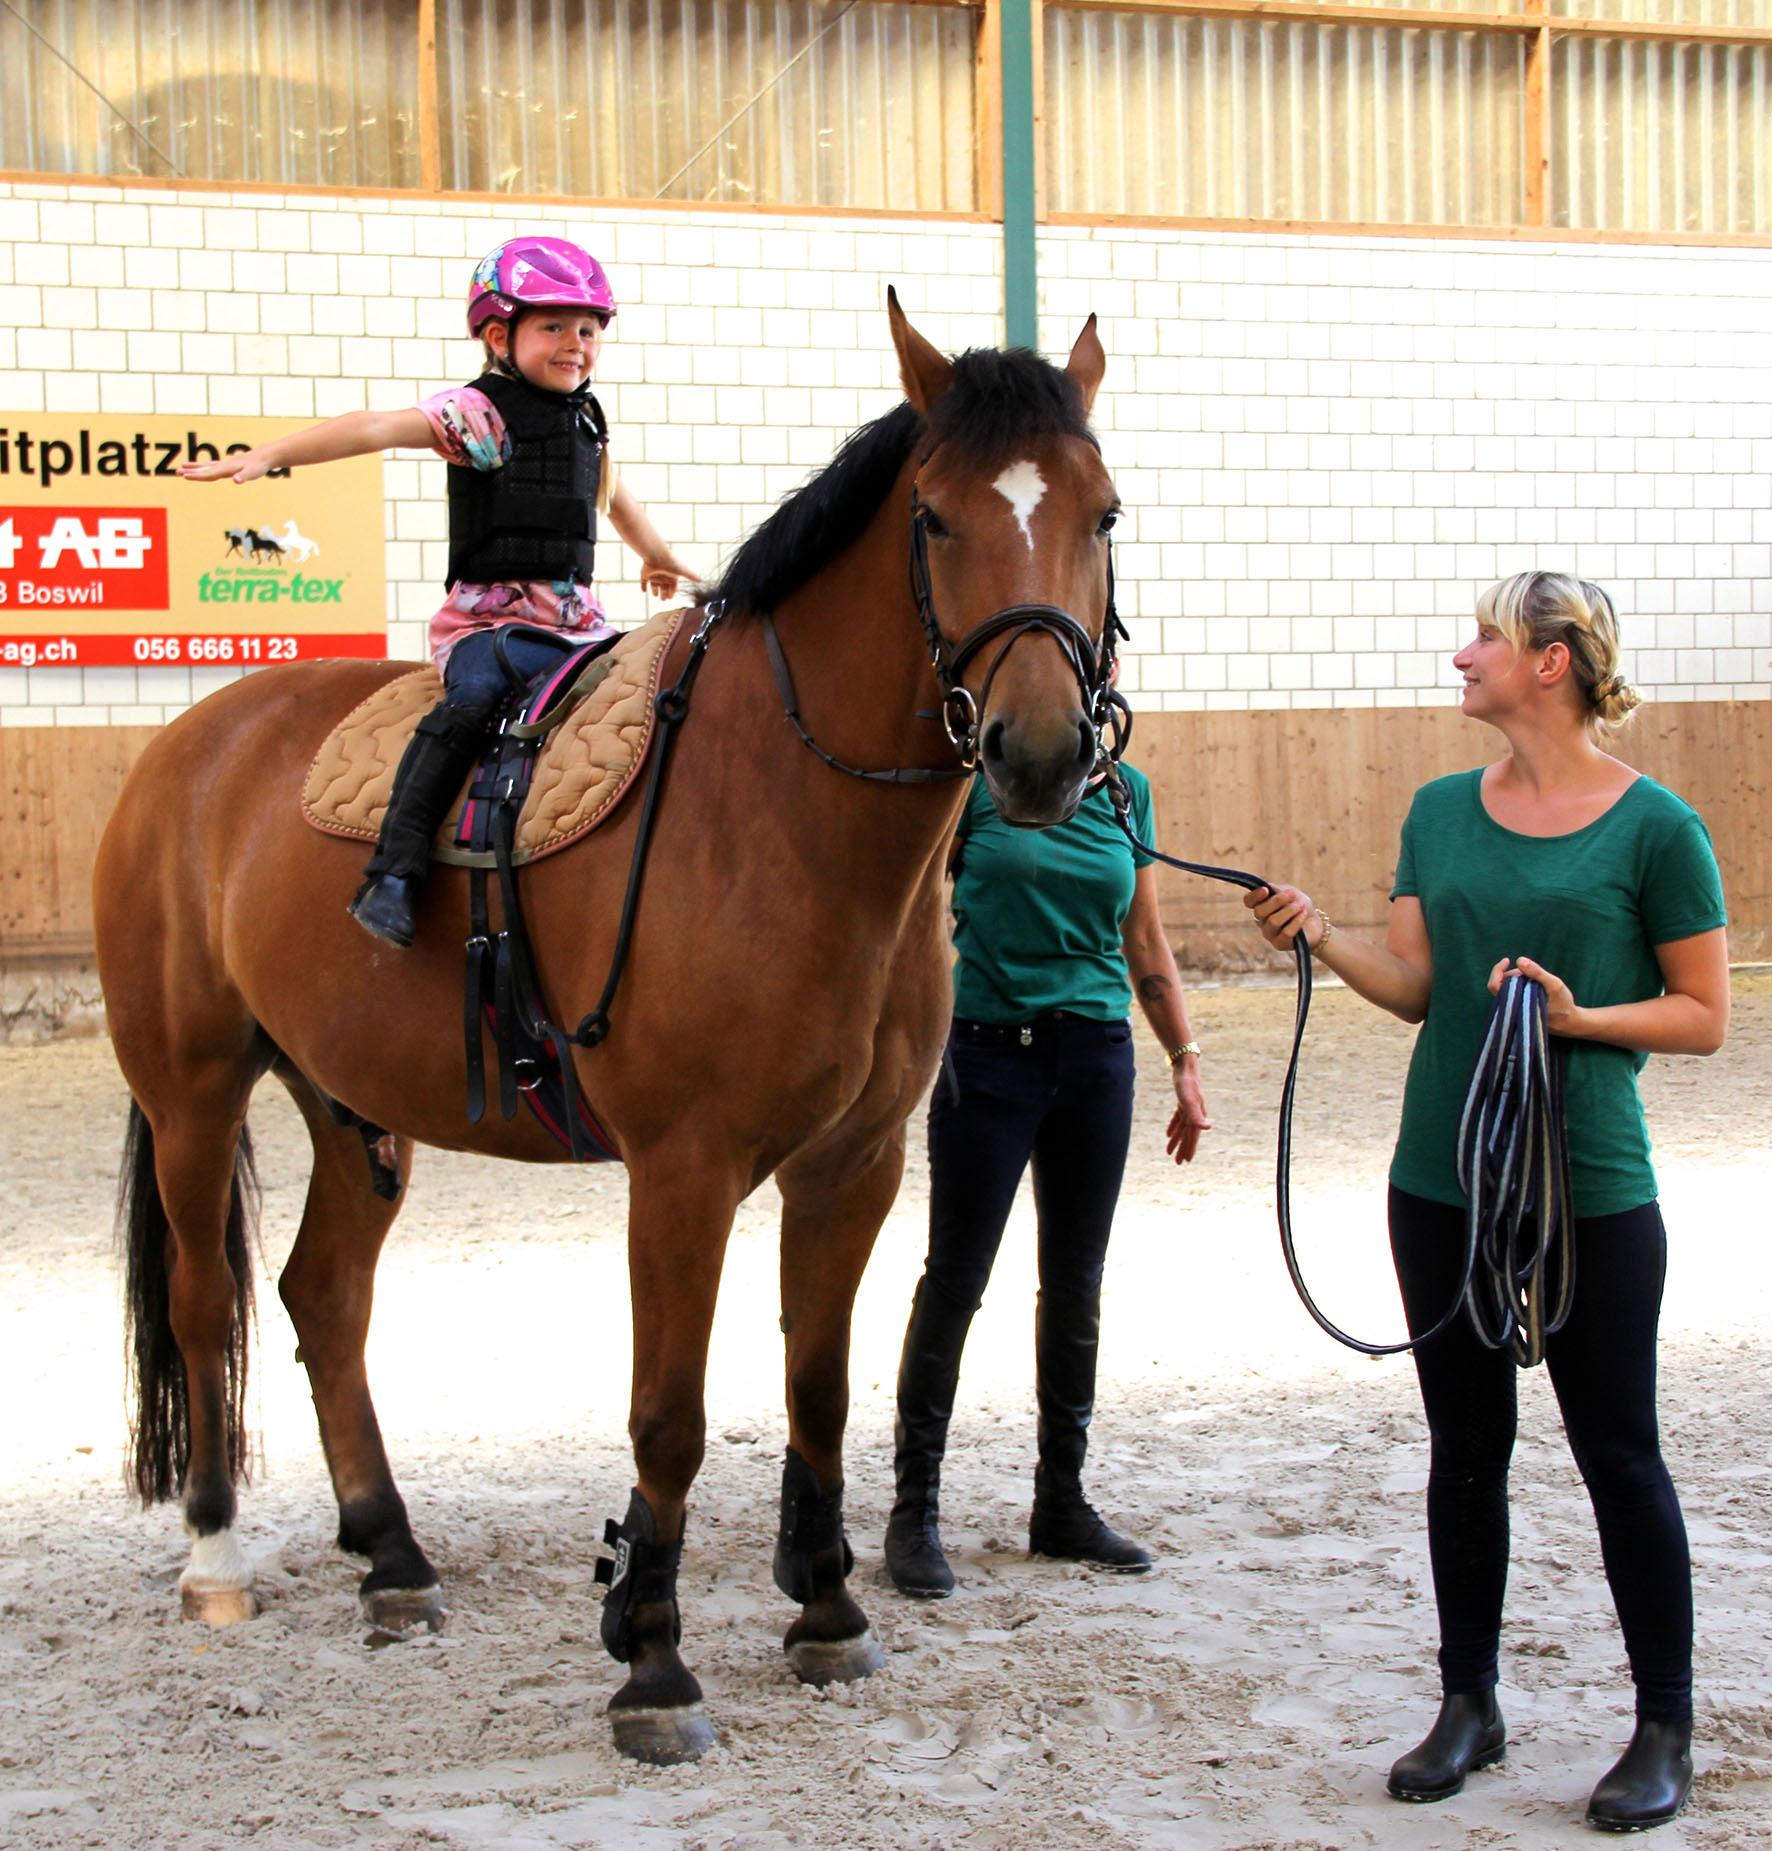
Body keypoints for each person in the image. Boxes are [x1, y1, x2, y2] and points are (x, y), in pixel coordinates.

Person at [1245, 572, 1729, 1833]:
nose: (1461, 657)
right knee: (1465, 1450)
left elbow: (1703, 1018)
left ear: (1552, 663)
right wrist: (1319, 933)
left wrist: (1577, 1018)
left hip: (1590, 1189)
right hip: (1439, 1177)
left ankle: (1660, 1723)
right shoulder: (1439, 812)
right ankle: (1470, 1702)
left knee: (1617, 1451)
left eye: (1485, 640)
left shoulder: (1656, 830)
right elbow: (1414, 988)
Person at [180, 236, 694, 948]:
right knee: (472, 705)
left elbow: (612, 498)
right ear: (497, 334)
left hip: (579, 629)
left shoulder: (585, 420)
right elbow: (375, 427)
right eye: (553, 327)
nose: (576, 344)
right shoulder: (479, 415)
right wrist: (271, 455)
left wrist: (659, 554)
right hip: (491, 628)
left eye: (588, 328)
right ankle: (394, 869)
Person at [884, 757, 1212, 1599]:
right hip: (988, 1057)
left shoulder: (1125, 790)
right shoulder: (971, 787)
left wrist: (1183, 1054)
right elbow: (910, 907)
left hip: (1095, 1056)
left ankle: (1060, 1501)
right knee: (955, 1280)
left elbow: (1143, 933)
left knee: (1075, 1285)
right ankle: (913, 1509)